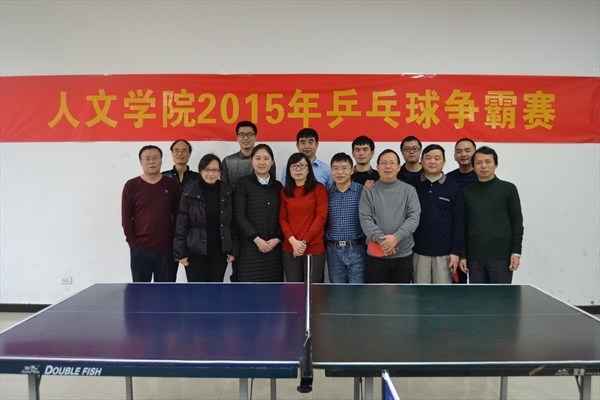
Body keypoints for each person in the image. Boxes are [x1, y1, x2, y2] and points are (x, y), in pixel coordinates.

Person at [459, 146, 524, 284]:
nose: (483, 166)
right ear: (473, 167)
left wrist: (516, 252)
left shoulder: (508, 189)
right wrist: (463, 256)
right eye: (479, 162)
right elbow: (462, 226)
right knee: (478, 296)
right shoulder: (467, 192)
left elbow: (517, 222)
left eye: (488, 162)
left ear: (496, 165)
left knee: (500, 296)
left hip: (502, 257)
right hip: (474, 257)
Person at [173, 154, 238, 282]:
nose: (211, 173)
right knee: (196, 292)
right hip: (195, 252)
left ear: (220, 172)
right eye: (207, 169)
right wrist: (181, 253)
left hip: (220, 252)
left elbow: (232, 222)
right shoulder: (190, 191)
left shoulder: (227, 191)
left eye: (215, 170)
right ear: (200, 170)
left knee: (215, 290)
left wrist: (233, 249)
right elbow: (181, 224)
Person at [359, 149, 420, 283]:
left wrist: (396, 238)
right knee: (377, 295)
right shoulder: (368, 192)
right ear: (377, 167)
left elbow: (413, 218)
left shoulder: (409, 190)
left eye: (392, 163)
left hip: (403, 255)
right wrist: (384, 243)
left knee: (402, 295)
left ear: (398, 167)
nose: (388, 166)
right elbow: (365, 219)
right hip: (376, 256)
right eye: (384, 163)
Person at [122, 145, 181, 282]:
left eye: (155, 158)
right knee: (141, 292)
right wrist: (133, 244)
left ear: (161, 160)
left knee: (165, 292)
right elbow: (126, 218)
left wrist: (177, 245)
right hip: (141, 249)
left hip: (167, 249)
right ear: (140, 162)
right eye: (147, 159)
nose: (151, 162)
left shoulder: (171, 184)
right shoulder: (131, 185)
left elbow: (179, 216)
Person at [407, 144, 465, 284]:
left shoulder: (453, 187)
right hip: (418, 251)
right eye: (428, 158)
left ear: (444, 161)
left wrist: (455, 252)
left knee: (442, 294)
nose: (432, 161)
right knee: (420, 294)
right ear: (421, 161)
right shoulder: (411, 185)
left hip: (445, 253)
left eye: (437, 158)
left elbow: (459, 222)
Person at [233, 144, 284, 282]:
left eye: (266, 158)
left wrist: (277, 239)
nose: (262, 162)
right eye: (258, 158)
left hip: (274, 249)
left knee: (274, 290)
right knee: (250, 290)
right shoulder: (243, 183)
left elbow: (284, 215)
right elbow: (239, 215)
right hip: (250, 248)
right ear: (251, 160)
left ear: (272, 162)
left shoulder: (278, 186)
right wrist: (257, 240)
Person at [279, 153, 329, 282]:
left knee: (314, 290)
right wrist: (294, 242)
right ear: (289, 170)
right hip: (290, 249)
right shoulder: (284, 191)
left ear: (308, 169)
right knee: (294, 290)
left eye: (302, 165)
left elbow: (321, 218)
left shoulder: (319, 189)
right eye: (294, 166)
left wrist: (303, 242)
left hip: (314, 249)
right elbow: (282, 218)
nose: (298, 169)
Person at [325, 152, 367, 283]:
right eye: (335, 168)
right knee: (337, 290)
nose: (340, 172)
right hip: (333, 250)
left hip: (357, 248)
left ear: (352, 170)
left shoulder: (362, 191)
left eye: (344, 168)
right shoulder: (326, 194)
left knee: (357, 289)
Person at [220, 121, 276, 188]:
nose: (246, 138)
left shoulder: (266, 161)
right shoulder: (228, 161)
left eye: (250, 134)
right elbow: (224, 189)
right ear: (237, 137)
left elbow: (272, 186)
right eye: (242, 134)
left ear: (255, 136)